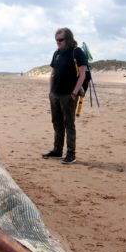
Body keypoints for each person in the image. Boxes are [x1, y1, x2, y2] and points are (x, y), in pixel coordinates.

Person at [43, 27, 87, 164]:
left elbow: (82, 75)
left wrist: (74, 93)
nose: (58, 42)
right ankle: (57, 151)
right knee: (56, 123)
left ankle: (71, 154)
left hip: (69, 95)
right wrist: (50, 92)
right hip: (55, 94)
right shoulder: (56, 53)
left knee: (69, 124)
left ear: (68, 39)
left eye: (60, 40)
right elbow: (53, 73)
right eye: (56, 40)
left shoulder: (77, 52)